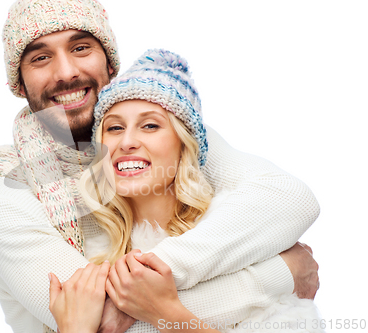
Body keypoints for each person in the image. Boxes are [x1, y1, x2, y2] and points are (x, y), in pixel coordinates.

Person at [0, 0, 320, 332]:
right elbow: (105, 323)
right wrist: (282, 272)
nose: (66, 72)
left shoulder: (168, 132)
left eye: (81, 47)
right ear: (20, 83)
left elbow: (290, 198)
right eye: (40, 57)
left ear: (109, 62)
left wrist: (151, 279)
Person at [47, 49, 321, 333]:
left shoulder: (241, 239)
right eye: (114, 128)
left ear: (184, 146)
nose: (127, 141)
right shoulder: (83, 256)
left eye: (150, 125)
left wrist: (164, 311)